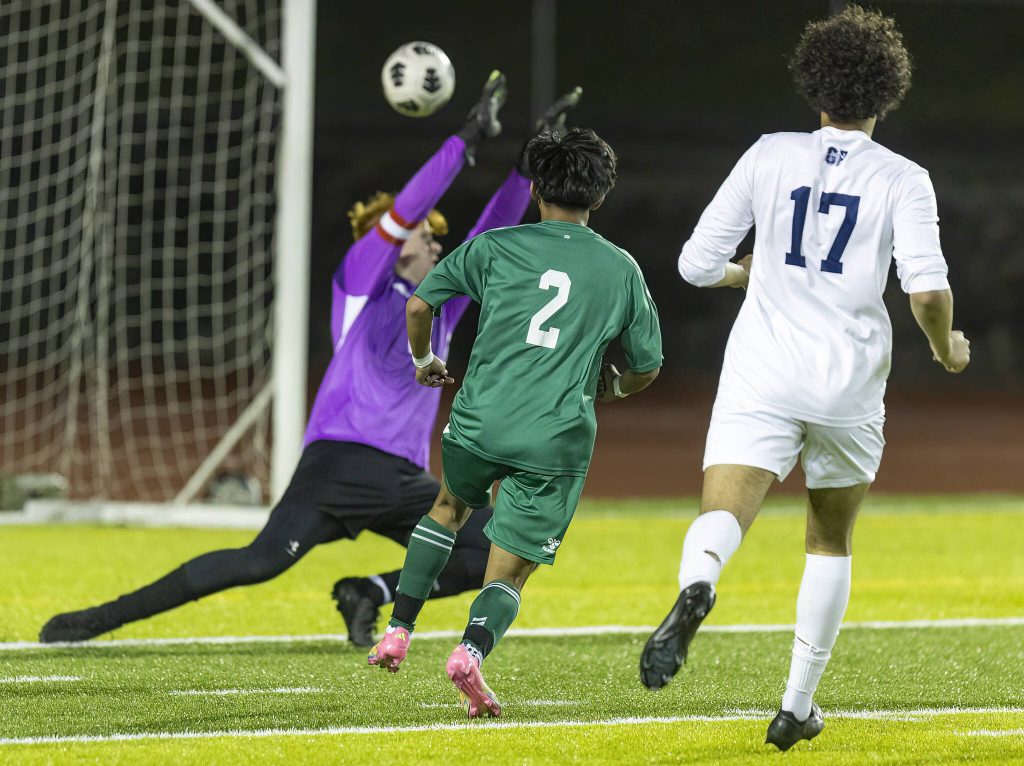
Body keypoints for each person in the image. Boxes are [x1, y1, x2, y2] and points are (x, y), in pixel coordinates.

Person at [39, 73, 582, 647]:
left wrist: (528, 166)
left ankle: (367, 590)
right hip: (340, 464)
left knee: (489, 553)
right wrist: (463, 141)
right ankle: (92, 622)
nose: (436, 245)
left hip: (402, 478)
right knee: (258, 563)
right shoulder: (360, 286)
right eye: (425, 237)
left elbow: (490, 230)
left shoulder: (442, 310)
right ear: (393, 245)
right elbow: (404, 212)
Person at [637, 6, 971, 751]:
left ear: (813, 87)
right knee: (829, 538)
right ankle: (795, 705)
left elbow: (693, 265)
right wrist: (947, 347)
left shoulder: (767, 154)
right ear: (887, 94)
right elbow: (924, 290)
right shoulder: (904, 178)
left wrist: (742, 275)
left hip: (763, 370)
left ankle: (700, 584)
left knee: (724, 515)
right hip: (848, 382)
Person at [366, 127, 664, 719]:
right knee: (511, 564)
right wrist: (611, 388)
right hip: (554, 436)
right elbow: (647, 366)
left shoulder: (496, 247)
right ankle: (470, 651)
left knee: (448, 509)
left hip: (481, 419)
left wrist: (426, 361)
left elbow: (420, 303)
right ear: (599, 196)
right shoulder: (620, 268)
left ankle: (399, 627)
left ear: (534, 190)